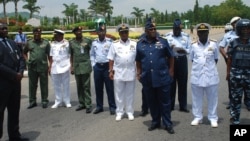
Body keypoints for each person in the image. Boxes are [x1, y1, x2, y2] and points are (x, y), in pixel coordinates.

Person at [136, 18, 175, 134]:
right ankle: (155, 121)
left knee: (165, 102)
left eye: (154, 28)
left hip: (162, 77)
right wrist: (138, 72)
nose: (153, 30)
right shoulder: (140, 44)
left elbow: (171, 56)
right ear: (146, 31)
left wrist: (171, 71)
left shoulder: (163, 41)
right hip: (147, 78)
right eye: (151, 29)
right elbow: (138, 60)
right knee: (152, 101)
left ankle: (168, 123)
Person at [0, 23, 28, 141]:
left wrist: (21, 72)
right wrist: (13, 74)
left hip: (16, 82)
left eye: (6, 28)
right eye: (2, 28)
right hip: (3, 82)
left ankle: (14, 135)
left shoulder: (12, 42)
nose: (5, 30)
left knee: (14, 110)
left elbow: (21, 57)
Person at [189, 23, 219, 128]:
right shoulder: (193, 45)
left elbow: (216, 59)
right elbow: (192, 59)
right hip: (197, 76)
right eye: (200, 32)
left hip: (211, 76)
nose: (202, 34)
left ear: (208, 32)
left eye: (204, 32)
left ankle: (213, 118)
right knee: (196, 98)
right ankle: (198, 117)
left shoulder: (214, 44)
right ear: (197, 33)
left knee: (212, 98)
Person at [219, 16, 250, 110]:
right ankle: (232, 101)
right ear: (232, 25)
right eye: (235, 23)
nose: (236, 24)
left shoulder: (248, 33)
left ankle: (247, 102)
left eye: (238, 22)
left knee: (247, 85)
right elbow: (221, 47)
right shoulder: (228, 35)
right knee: (232, 83)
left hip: (247, 63)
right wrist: (226, 56)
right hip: (233, 62)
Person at [107, 24, 136, 121]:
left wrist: (139, 71)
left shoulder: (134, 43)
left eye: (126, 32)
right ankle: (119, 112)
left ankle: (129, 112)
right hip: (119, 72)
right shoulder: (114, 44)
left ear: (128, 33)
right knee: (119, 94)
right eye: (122, 32)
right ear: (119, 33)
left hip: (131, 71)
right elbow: (111, 59)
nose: (124, 34)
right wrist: (110, 71)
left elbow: (138, 58)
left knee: (130, 94)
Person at [227, 19, 250, 125]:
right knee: (236, 99)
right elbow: (230, 59)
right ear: (239, 30)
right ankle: (235, 119)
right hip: (236, 75)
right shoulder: (233, 42)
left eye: (247, 29)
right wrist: (228, 73)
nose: (245, 31)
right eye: (243, 29)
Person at [164, 19, 191, 113]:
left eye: (178, 29)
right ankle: (170, 105)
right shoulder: (167, 36)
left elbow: (190, 49)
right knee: (171, 83)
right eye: (175, 29)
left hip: (182, 60)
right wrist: (170, 49)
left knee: (182, 83)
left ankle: (183, 106)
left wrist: (184, 51)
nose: (176, 31)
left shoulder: (186, 36)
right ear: (173, 28)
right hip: (171, 61)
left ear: (181, 29)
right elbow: (164, 49)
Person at [90, 25, 116, 115]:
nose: (101, 33)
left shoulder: (110, 42)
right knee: (98, 88)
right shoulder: (94, 43)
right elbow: (92, 54)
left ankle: (112, 107)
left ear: (105, 32)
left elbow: (113, 55)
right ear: (97, 33)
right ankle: (99, 106)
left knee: (110, 88)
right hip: (97, 67)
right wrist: (93, 65)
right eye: (100, 32)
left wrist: (112, 68)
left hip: (107, 67)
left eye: (103, 32)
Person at [23, 27, 50, 109]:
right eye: (35, 32)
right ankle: (32, 101)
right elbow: (24, 53)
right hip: (32, 67)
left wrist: (50, 66)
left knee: (44, 84)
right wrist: (27, 61)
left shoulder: (46, 43)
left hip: (43, 66)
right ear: (33, 33)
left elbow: (49, 55)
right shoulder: (29, 43)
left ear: (41, 33)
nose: (37, 34)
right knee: (32, 85)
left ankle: (44, 100)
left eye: (39, 32)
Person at [69, 26, 92, 113]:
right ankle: (81, 103)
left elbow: (92, 52)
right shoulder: (71, 42)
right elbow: (71, 55)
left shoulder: (87, 41)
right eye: (76, 31)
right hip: (77, 66)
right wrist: (71, 66)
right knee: (79, 86)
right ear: (74, 33)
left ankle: (88, 104)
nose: (78, 32)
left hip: (85, 65)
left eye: (79, 31)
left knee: (86, 86)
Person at [49, 29, 71, 109]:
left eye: (56, 35)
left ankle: (66, 101)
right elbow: (51, 56)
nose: (55, 36)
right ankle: (58, 101)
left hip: (65, 66)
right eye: (55, 35)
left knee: (66, 85)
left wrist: (71, 66)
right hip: (55, 67)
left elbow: (70, 55)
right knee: (56, 85)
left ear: (61, 35)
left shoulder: (67, 43)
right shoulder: (52, 44)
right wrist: (50, 66)